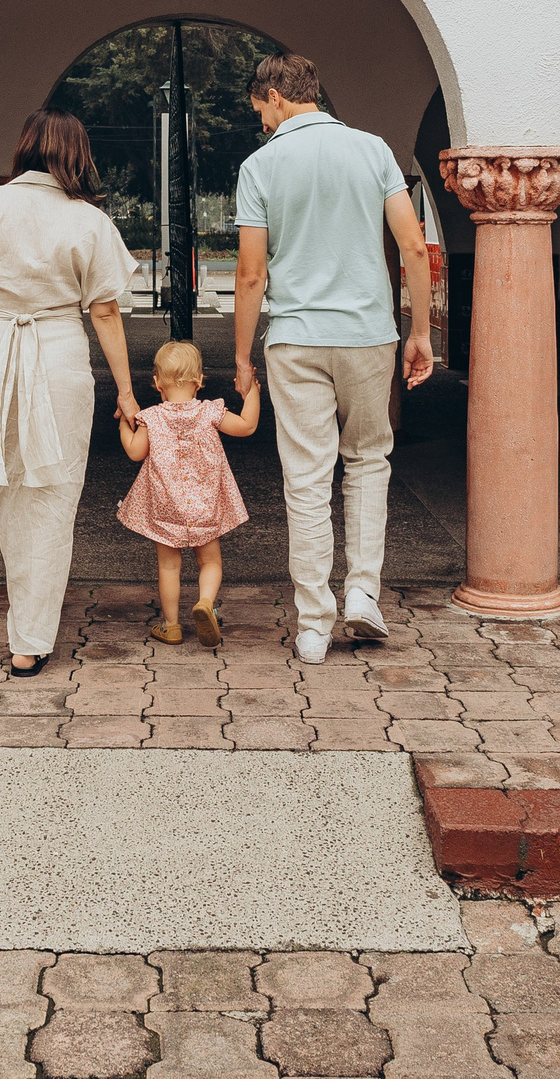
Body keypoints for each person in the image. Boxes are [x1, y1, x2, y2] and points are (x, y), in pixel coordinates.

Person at [230, 53, 436, 664]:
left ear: (275, 95)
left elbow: (249, 273)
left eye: (258, 112)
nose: (259, 124)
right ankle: (363, 593)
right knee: (369, 460)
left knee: (306, 476)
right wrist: (420, 331)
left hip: (295, 338)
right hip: (368, 334)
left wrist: (242, 356)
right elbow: (412, 247)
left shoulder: (259, 166)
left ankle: (314, 623)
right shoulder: (373, 151)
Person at [0, 110, 142, 676]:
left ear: (26, 148)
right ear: (77, 154)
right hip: (59, 354)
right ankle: (31, 634)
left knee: (4, 486)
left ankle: (28, 615)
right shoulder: (88, 221)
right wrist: (124, 389)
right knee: (54, 491)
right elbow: (105, 310)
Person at [116, 339, 260, 648]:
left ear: (157, 383)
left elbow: (135, 452)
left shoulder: (151, 418)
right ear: (199, 382)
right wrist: (252, 393)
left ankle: (171, 626)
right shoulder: (210, 413)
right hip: (205, 506)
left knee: (169, 567)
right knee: (210, 563)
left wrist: (124, 427)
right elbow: (247, 426)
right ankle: (205, 603)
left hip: (166, 506)